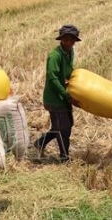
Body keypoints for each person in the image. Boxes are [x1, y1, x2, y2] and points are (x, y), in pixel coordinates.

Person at [33, 24, 81, 162]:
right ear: (61, 39)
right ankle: (64, 157)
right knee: (63, 128)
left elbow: (68, 71)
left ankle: (40, 143)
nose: (69, 42)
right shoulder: (55, 56)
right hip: (54, 98)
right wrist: (66, 95)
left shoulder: (69, 52)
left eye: (72, 40)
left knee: (64, 125)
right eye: (66, 39)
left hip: (63, 96)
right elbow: (52, 78)